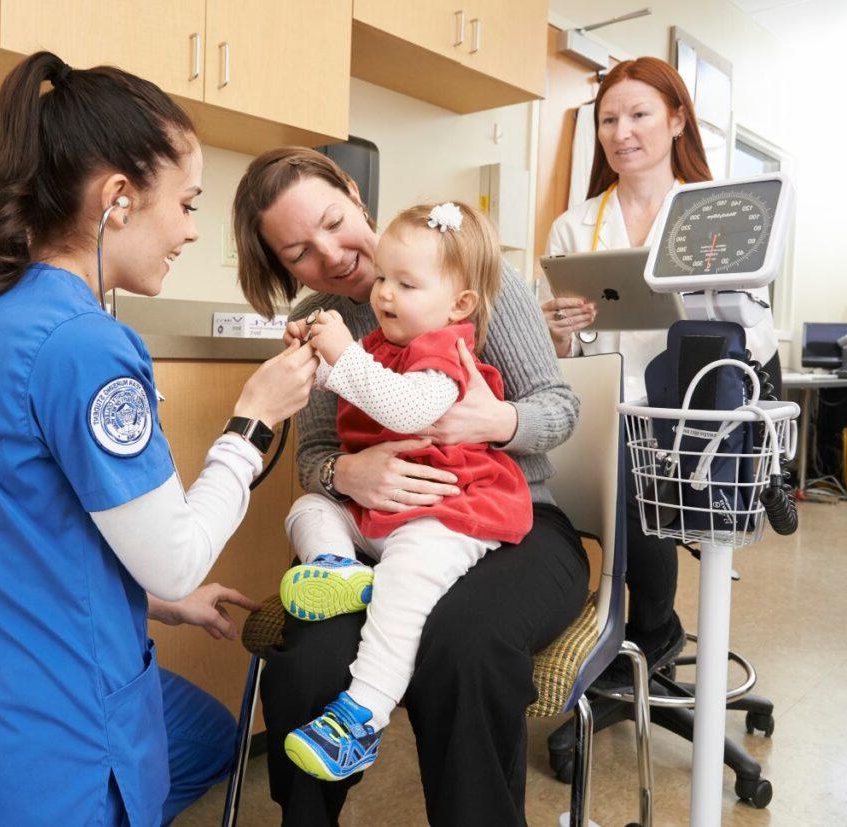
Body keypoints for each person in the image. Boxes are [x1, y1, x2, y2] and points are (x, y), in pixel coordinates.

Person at [0, 52, 317, 826]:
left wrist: (156, 602)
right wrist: (253, 420)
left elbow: (29, 529)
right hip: (60, 740)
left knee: (204, 736)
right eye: (189, 203)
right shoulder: (84, 346)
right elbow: (175, 550)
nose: (194, 230)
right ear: (119, 199)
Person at [233, 147, 589, 826]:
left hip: (509, 522)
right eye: (300, 252)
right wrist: (345, 471)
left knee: (464, 643)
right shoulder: (321, 325)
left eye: (335, 222)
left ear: (355, 195)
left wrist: (499, 418)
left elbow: (562, 408)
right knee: (306, 659)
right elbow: (311, 456)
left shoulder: (473, 277)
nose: (332, 255)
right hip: (378, 535)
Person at [540, 56, 782, 686]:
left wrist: (716, 295)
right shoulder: (576, 225)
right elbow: (563, 359)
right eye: (609, 119)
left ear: (677, 120)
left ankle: (646, 633)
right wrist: (558, 330)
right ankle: (628, 632)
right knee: (604, 456)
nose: (622, 132)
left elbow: (757, 336)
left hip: (693, 414)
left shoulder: (719, 215)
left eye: (639, 115)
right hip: (600, 415)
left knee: (636, 461)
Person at [278, 202, 533, 781]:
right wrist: (313, 350)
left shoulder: (446, 350)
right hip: (378, 510)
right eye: (385, 279)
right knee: (311, 505)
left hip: (448, 510)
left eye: (407, 284)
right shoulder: (383, 346)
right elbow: (345, 390)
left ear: (459, 304)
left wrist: (343, 354)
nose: (384, 294)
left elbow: (403, 405)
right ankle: (336, 568)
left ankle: (361, 717)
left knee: (404, 586)